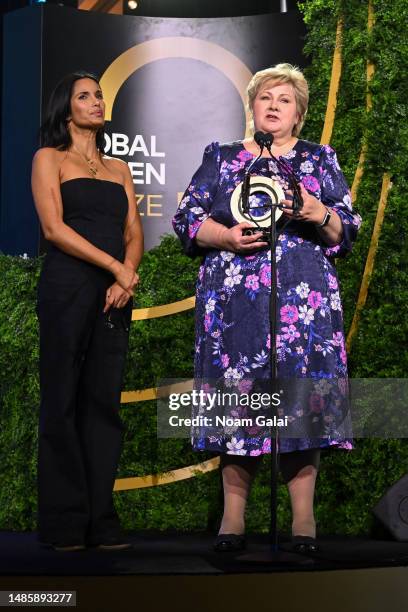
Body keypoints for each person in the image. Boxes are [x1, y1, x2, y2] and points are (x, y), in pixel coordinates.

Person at [173, 63, 361, 552]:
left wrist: (318, 211)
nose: (273, 105)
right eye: (265, 98)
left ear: (298, 114)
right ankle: (232, 521)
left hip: (304, 307)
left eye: (284, 99)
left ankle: (303, 522)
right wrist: (226, 237)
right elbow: (188, 218)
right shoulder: (223, 157)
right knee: (239, 405)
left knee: (302, 407)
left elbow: (347, 228)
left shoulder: (320, 160)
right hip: (235, 305)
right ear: (252, 108)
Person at [32, 71, 143, 551]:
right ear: (66, 108)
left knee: (103, 406)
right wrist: (116, 267)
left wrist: (127, 274)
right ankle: (63, 522)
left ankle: (101, 519)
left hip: (114, 297)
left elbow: (135, 232)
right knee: (61, 401)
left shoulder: (119, 168)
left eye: (99, 95)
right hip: (67, 289)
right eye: (85, 96)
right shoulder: (49, 158)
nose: (97, 102)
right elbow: (55, 229)